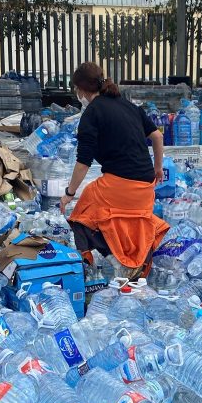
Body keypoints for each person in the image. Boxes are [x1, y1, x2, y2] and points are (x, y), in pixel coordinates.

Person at [60, 63, 169, 279]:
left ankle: (114, 260)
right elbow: (157, 136)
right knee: (129, 220)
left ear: (81, 89)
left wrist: (69, 193)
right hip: (146, 188)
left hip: (120, 184)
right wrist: (157, 168)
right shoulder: (129, 106)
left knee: (82, 214)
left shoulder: (92, 113)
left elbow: (83, 162)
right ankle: (137, 260)